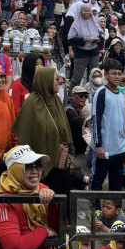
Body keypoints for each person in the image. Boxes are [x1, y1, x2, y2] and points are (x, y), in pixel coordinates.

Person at [13, 67, 75, 199]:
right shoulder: (31, 103)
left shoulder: (56, 100)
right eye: (55, 79)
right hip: (40, 165)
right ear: (45, 81)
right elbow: (24, 135)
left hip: (60, 163)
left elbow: (65, 128)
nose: (58, 82)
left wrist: (71, 150)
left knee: (62, 199)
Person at [90, 59, 125, 195]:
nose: (117, 77)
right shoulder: (101, 92)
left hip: (119, 146)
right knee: (98, 179)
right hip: (104, 148)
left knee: (116, 181)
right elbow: (96, 119)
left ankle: (115, 208)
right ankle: (94, 209)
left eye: (119, 73)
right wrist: (98, 144)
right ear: (105, 75)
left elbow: (122, 120)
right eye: (114, 74)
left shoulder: (121, 95)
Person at [68, 3, 102, 89]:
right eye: (85, 10)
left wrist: (98, 39)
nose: (87, 12)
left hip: (94, 52)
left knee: (93, 76)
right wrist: (83, 40)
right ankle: (71, 97)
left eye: (88, 11)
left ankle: (91, 95)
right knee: (77, 77)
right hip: (81, 54)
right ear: (81, 11)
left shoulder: (94, 21)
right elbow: (71, 38)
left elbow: (101, 33)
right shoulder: (76, 23)